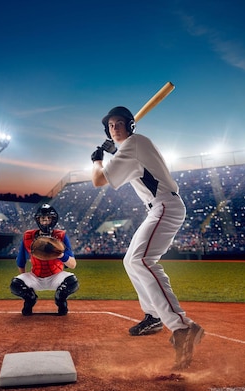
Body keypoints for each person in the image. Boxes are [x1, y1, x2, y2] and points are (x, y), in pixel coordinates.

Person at [90, 106, 204, 370]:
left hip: (165, 205)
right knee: (131, 261)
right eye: (110, 125)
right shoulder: (133, 146)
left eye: (120, 123)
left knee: (141, 260)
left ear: (131, 125)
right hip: (160, 206)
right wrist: (115, 152)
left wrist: (98, 159)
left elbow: (98, 180)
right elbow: (128, 162)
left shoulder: (135, 143)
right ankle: (153, 316)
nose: (114, 127)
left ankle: (182, 327)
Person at [10, 204, 79, 316]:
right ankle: (30, 299)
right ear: (38, 220)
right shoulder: (28, 236)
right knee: (15, 284)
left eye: (48, 218)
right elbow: (21, 261)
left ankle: (60, 301)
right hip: (36, 276)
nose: (46, 221)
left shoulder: (61, 236)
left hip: (56, 275)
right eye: (43, 218)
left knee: (72, 281)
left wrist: (60, 255)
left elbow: (73, 265)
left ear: (53, 219)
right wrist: (26, 285)